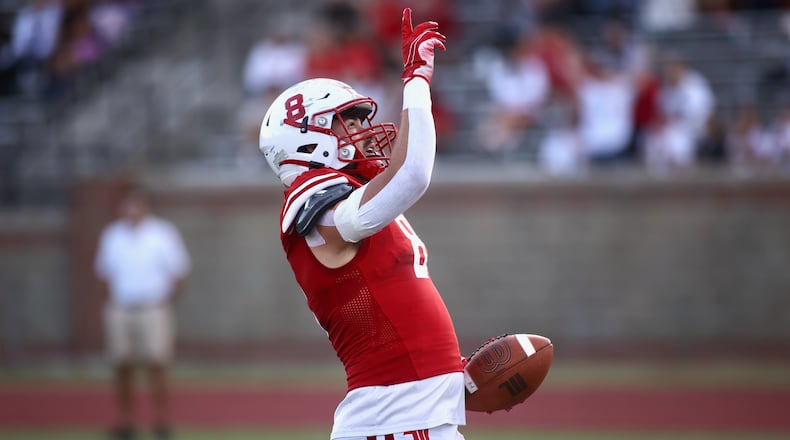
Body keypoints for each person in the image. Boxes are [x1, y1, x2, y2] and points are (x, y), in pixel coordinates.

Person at [259, 8, 465, 439]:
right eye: (346, 121)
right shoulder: (311, 202)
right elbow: (411, 174)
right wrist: (416, 82)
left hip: (413, 408)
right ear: (306, 135)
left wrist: (453, 380)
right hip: (394, 417)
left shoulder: (346, 191)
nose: (362, 131)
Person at [94, 186, 190, 440]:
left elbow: (179, 272)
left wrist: (165, 299)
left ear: (145, 207)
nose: (131, 211)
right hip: (121, 308)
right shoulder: (112, 235)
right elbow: (104, 273)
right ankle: (126, 420)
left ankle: (162, 420)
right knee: (121, 365)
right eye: (127, 205)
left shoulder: (162, 234)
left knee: (157, 364)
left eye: (136, 205)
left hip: (153, 307)